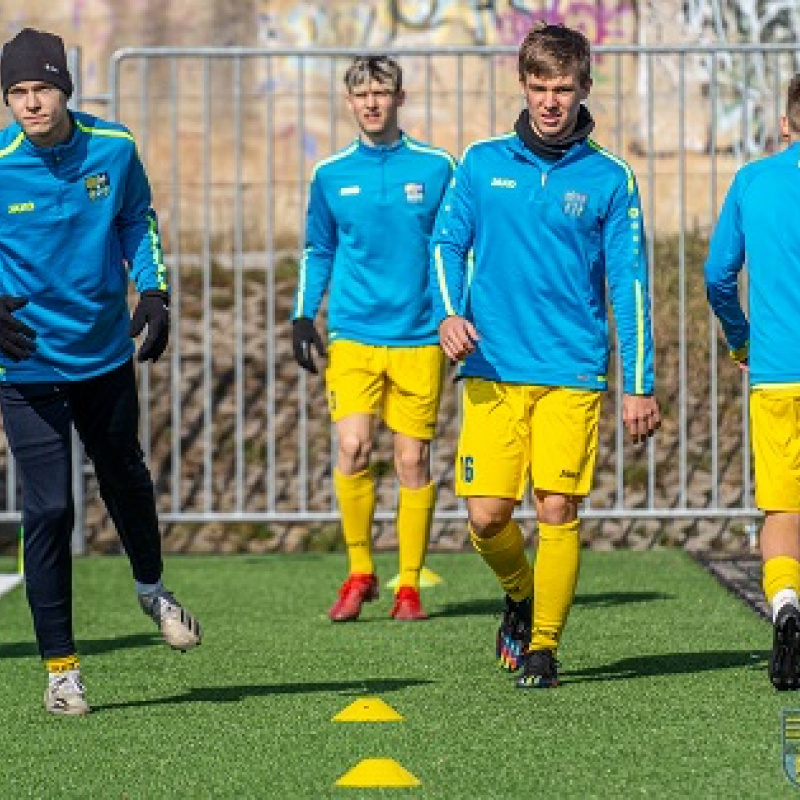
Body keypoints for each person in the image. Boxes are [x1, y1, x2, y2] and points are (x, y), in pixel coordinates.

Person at [430, 22, 661, 688]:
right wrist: (450, 313)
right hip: (493, 369)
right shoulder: (480, 162)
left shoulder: (611, 178)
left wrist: (639, 382)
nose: (551, 101)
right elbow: (445, 243)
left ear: (585, 87)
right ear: (523, 86)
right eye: (540, 87)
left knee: (556, 506)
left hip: (572, 370)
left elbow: (630, 283)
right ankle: (522, 595)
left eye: (563, 87)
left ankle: (544, 646)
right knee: (486, 518)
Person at [0, 28, 201, 717]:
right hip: (23, 361)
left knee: (124, 475)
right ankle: (62, 671)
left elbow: (135, 220)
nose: (31, 103)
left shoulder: (113, 148)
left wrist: (154, 292)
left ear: (65, 90)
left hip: (104, 352)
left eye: (42, 89)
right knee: (49, 506)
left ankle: (151, 588)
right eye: (18, 92)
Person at [291, 55, 454, 622]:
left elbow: (456, 248)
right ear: (349, 102)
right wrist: (301, 315)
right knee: (353, 446)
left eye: (382, 92)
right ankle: (360, 570)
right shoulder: (331, 174)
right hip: (354, 334)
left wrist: (456, 313)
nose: (371, 103)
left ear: (400, 98)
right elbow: (319, 249)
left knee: (412, 460)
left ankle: (408, 584)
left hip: (418, 337)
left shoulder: (437, 168)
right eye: (361, 94)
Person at [705, 74, 800, 691]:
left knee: (784, 509)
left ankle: (788, 605)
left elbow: (718, 275)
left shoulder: (754, 181)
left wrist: (740, 337)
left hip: (777, 374)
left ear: (787, 122)